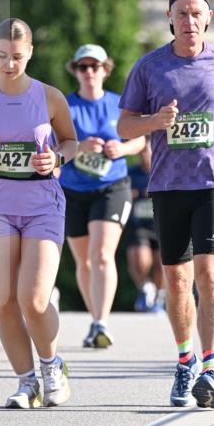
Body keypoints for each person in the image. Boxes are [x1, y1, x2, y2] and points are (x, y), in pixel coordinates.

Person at [117, 0, 214, 409]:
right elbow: (124, 128)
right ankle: (186, 361)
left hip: (213, 182)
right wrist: (155, 121)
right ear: (169, 18)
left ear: (207, 19)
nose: (188, 20)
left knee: (209, 272)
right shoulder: (149, 68)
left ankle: (212, 370)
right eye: (180, 13)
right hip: (166, 185)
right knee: (177, 280)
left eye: (195, 13)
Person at [0, 18, 78, 409]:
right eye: (1, 57)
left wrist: (55, 157)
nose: (9, 64)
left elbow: (71, 143)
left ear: (29, 54)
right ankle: (26, 382)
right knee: (5, 300)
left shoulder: (49, 97)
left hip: (42, 204)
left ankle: (51, 366)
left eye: (16, 57)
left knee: (34, 299)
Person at [59, 44, 145, 347]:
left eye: (95, 66)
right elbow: (53, 149)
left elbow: (140, 140)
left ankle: (101, 322)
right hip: (73, 190)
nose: (89, 72)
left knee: (101, 254)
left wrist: (121, 148)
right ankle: (94, 320)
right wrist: (79, 148)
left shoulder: (119, 104)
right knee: (83, 261)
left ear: (105, 70)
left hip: (112, 186)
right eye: (83, 67)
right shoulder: (65, 107)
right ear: (76, 71)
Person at [126, 140, 165, 312]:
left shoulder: (164, 171)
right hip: (139, 225)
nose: (143, 155)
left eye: (146, 151)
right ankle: (144, 287)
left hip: (161, 225)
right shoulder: (131, 173)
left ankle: (159, 296)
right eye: (141, 152)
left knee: (161, 265)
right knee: (140, 261)